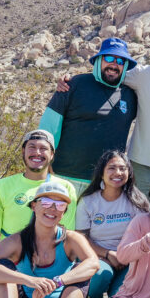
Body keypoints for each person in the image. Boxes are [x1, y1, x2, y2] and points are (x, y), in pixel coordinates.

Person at [58, 33, 150, 194]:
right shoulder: (146, 74)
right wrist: (71, 80)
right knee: (139, 214)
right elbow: (109, 72)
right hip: (140, 165)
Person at [38, 37, 139, 190]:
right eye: (109, 58)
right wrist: (44, 165)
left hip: (105, 184)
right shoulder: (74, 84)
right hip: (63, 177)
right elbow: (48, 127)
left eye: (120, 61)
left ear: (125, 66)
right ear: (99, 60)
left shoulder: (130, 95)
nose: (114, 64)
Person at [75, 150, 150, 298]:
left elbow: (146, 235)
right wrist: (108, 254)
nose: (118, 173)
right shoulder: (88, 201)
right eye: (112, 168)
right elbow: (81, 238)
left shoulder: (137, 201)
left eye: (123, 168)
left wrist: (126, 255)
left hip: (130, 259)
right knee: (100, 276)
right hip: (99, 256)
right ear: (101, 172)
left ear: (129, 173)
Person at [0, 130, 78, 256]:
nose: (37, 153)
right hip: (11, 264)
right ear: (23, 151)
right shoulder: (3, 186)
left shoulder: (65, 188)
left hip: (49, 264)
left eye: (43, 148)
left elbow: (67, 233)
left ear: (52, 154)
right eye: (32, 147)